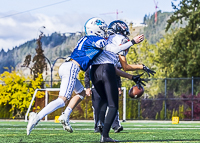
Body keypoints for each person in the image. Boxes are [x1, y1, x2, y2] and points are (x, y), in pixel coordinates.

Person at [26, 17, 108, 135]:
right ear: (96, 30)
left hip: (67, 66)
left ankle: (65, 116)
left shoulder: (86, 38)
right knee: (62, 100)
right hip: (72, 68)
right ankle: (37, 117)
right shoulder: (94, 39)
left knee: (81, 93)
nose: (104, 32)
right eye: (103, 29)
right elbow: (104, 44)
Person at [85, 67, 123, 133]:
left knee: (113, 105)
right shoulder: (92, 65)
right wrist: (87, 87)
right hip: (96, 88)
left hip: (109, 87)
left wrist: (119, 86)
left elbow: (116, 74)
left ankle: (116, 125)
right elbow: (87, 75)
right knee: (97, 108)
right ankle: (98, 126)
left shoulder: (109, 62)